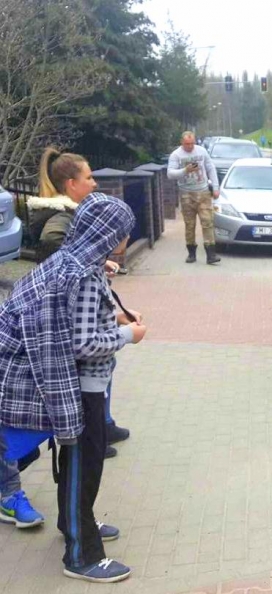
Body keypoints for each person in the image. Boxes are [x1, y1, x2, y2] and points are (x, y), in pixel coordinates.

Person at [0, 193, 146, 583]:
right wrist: (126, 334)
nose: (125, 240)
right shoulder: (80, 273)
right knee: (84, 468)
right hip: (81, 390)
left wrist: (112, 316)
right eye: (122, 233)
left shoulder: (75, 264)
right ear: (105, 233)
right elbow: (80, 344)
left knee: (78, 466)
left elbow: (73, 323)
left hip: (80, 387)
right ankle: (81, 554)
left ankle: (73, 523)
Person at [31, 149, 132, 459]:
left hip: (80, 307)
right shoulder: (62, 216)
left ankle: (103, 423)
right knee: (89, 368)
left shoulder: (73, 211)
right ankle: (92, 436)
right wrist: (88, 262)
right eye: (89, 178)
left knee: (102, 366)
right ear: (71, 183)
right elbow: (53, 243)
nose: (94, 184)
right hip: (70, 310)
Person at [167, 131, 221, 265]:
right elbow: (170, 174)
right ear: (181, 142)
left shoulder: (202, 151)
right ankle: (191, 252)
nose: (190, 146)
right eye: (187, 144)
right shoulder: (176, 155)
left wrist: (215, 187)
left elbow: (210, 168)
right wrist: (185, 170)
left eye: (192, 143)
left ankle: (211, 254)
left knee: (207, 222)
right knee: (190, 224)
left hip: (203, 192)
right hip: (186, 193)